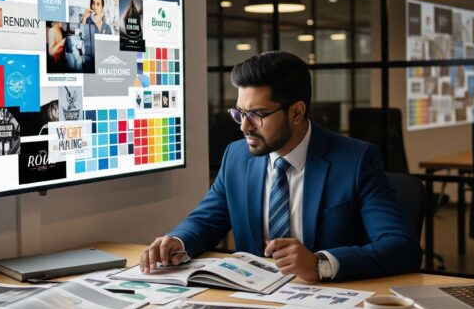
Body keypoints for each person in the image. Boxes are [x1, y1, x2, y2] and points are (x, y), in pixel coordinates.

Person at [141, 51, 421, 282]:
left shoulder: (356, 161)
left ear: (296, 112)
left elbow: (402, 247)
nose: (244, 126)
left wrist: (320, 263)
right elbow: (205, 221)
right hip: (253, 300)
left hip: (329, 299)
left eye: (257, 115)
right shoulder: (236, 157)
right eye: (239, 112)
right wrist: (178, 241)